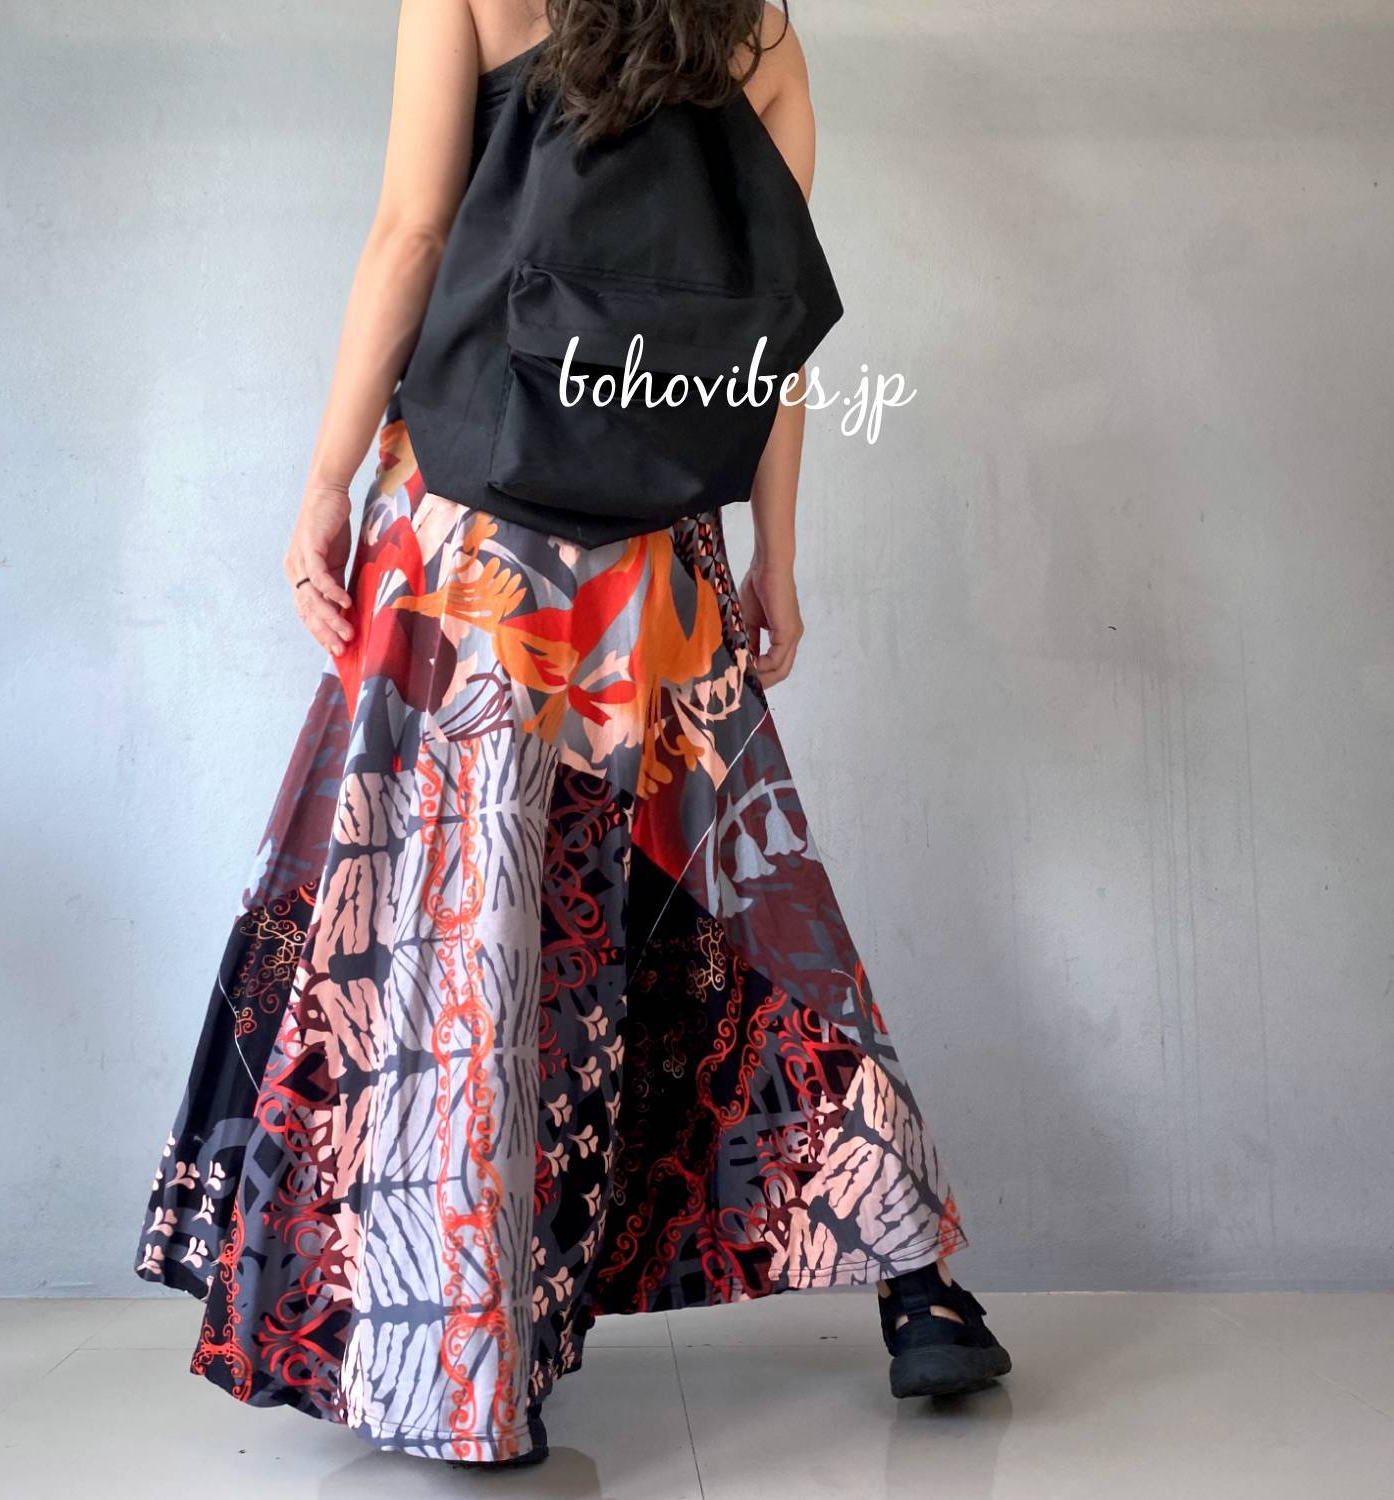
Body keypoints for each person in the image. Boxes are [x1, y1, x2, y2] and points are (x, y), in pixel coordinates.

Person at [135, 0, 1011, 1470]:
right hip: (654, 555)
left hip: (471, 542)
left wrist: (326, 481)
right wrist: (777, 557)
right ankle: (920, 1289)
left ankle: (476, 1374)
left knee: (454, 926)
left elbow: (411, 234)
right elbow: (767, 326)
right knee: (754, 902)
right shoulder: (757, 30)